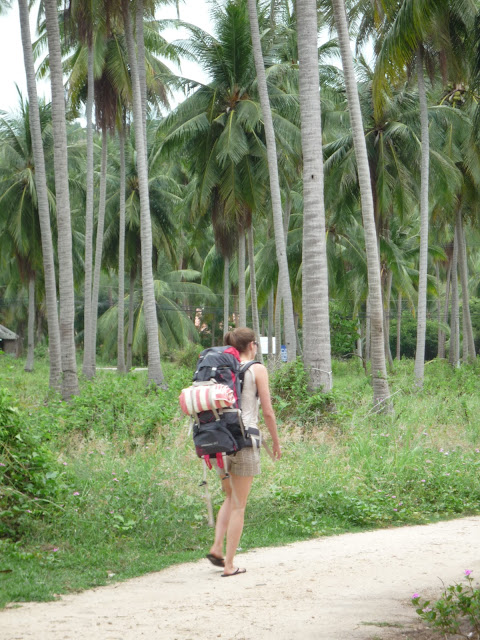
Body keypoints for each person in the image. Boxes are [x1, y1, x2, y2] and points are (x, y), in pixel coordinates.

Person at [206, 327, 282, 577]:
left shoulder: (222, 368)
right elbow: (268, 411)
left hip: (220, 440)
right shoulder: (256, 369)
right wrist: (276, 442)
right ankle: (229, 565)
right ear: (251, 345)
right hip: (245, 440)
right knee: (239, 505)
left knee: (229, 496)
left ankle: (217, 547)